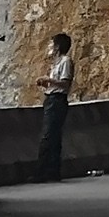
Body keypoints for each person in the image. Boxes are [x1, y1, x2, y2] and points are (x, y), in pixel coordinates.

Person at [36, 33, 74, 181]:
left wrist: (49, 80)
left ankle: (43, 172)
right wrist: (47, 83)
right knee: (53, 137)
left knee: (48, 136)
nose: (49, 47)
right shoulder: (56, 64)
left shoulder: (65, 61)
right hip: (51, 99)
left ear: (57, 47)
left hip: (57, 101)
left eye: (51, 44)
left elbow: (65, 83)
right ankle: (52, 172)